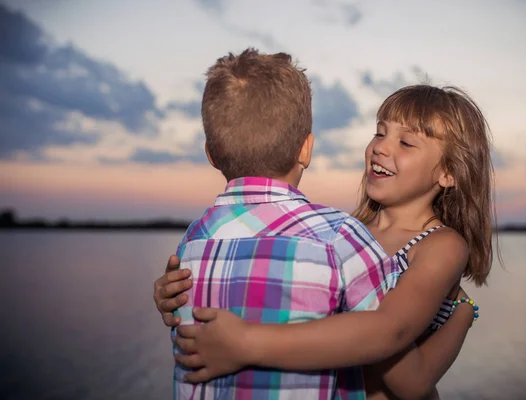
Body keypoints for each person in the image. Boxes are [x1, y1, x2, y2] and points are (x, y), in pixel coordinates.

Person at [155, 84, 496, 399]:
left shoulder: (441, 246)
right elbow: (267, 291)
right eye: (379, 132)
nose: (381, 146)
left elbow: (411, 380)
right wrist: (183, 289)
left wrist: (464, 314)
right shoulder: (343, 234)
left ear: (448, 173)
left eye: (406, 143)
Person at [167, 47, 402, 400]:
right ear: (305, 150)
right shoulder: (338, 237)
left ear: (211, 155)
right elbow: (394, 334)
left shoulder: (192, 242)